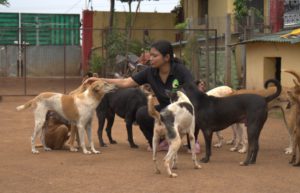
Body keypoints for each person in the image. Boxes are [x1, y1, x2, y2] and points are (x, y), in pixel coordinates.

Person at [85, 40, 196, 151]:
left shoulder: (180, 70)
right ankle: (159, 142)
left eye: (154, 56)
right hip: (165, 109)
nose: (150, 58)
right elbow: (126, 82)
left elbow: (193, 93)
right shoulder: (150, 72)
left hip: (182, 110)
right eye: (150, 55)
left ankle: (192, 142)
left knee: (195, 109)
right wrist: (100, 80)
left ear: (166, 58)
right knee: (142, 113)